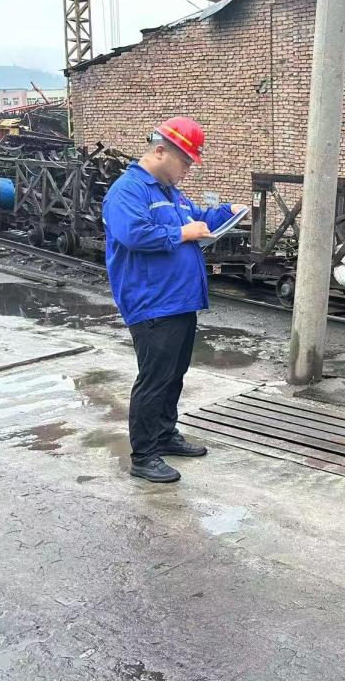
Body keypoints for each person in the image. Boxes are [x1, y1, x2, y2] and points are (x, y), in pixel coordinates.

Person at [102, 117, 247, 483]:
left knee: (174, 375)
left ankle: (165, 434)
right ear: (160, 151)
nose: (187, 170)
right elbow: (134, 234)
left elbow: (197, 218)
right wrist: (182, 233)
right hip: (152, 302)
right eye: (184, 161)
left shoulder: (171, 194)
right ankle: (144, 455)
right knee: (155, 379)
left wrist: (227, 212)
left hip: (180, 301)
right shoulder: (128, 190)